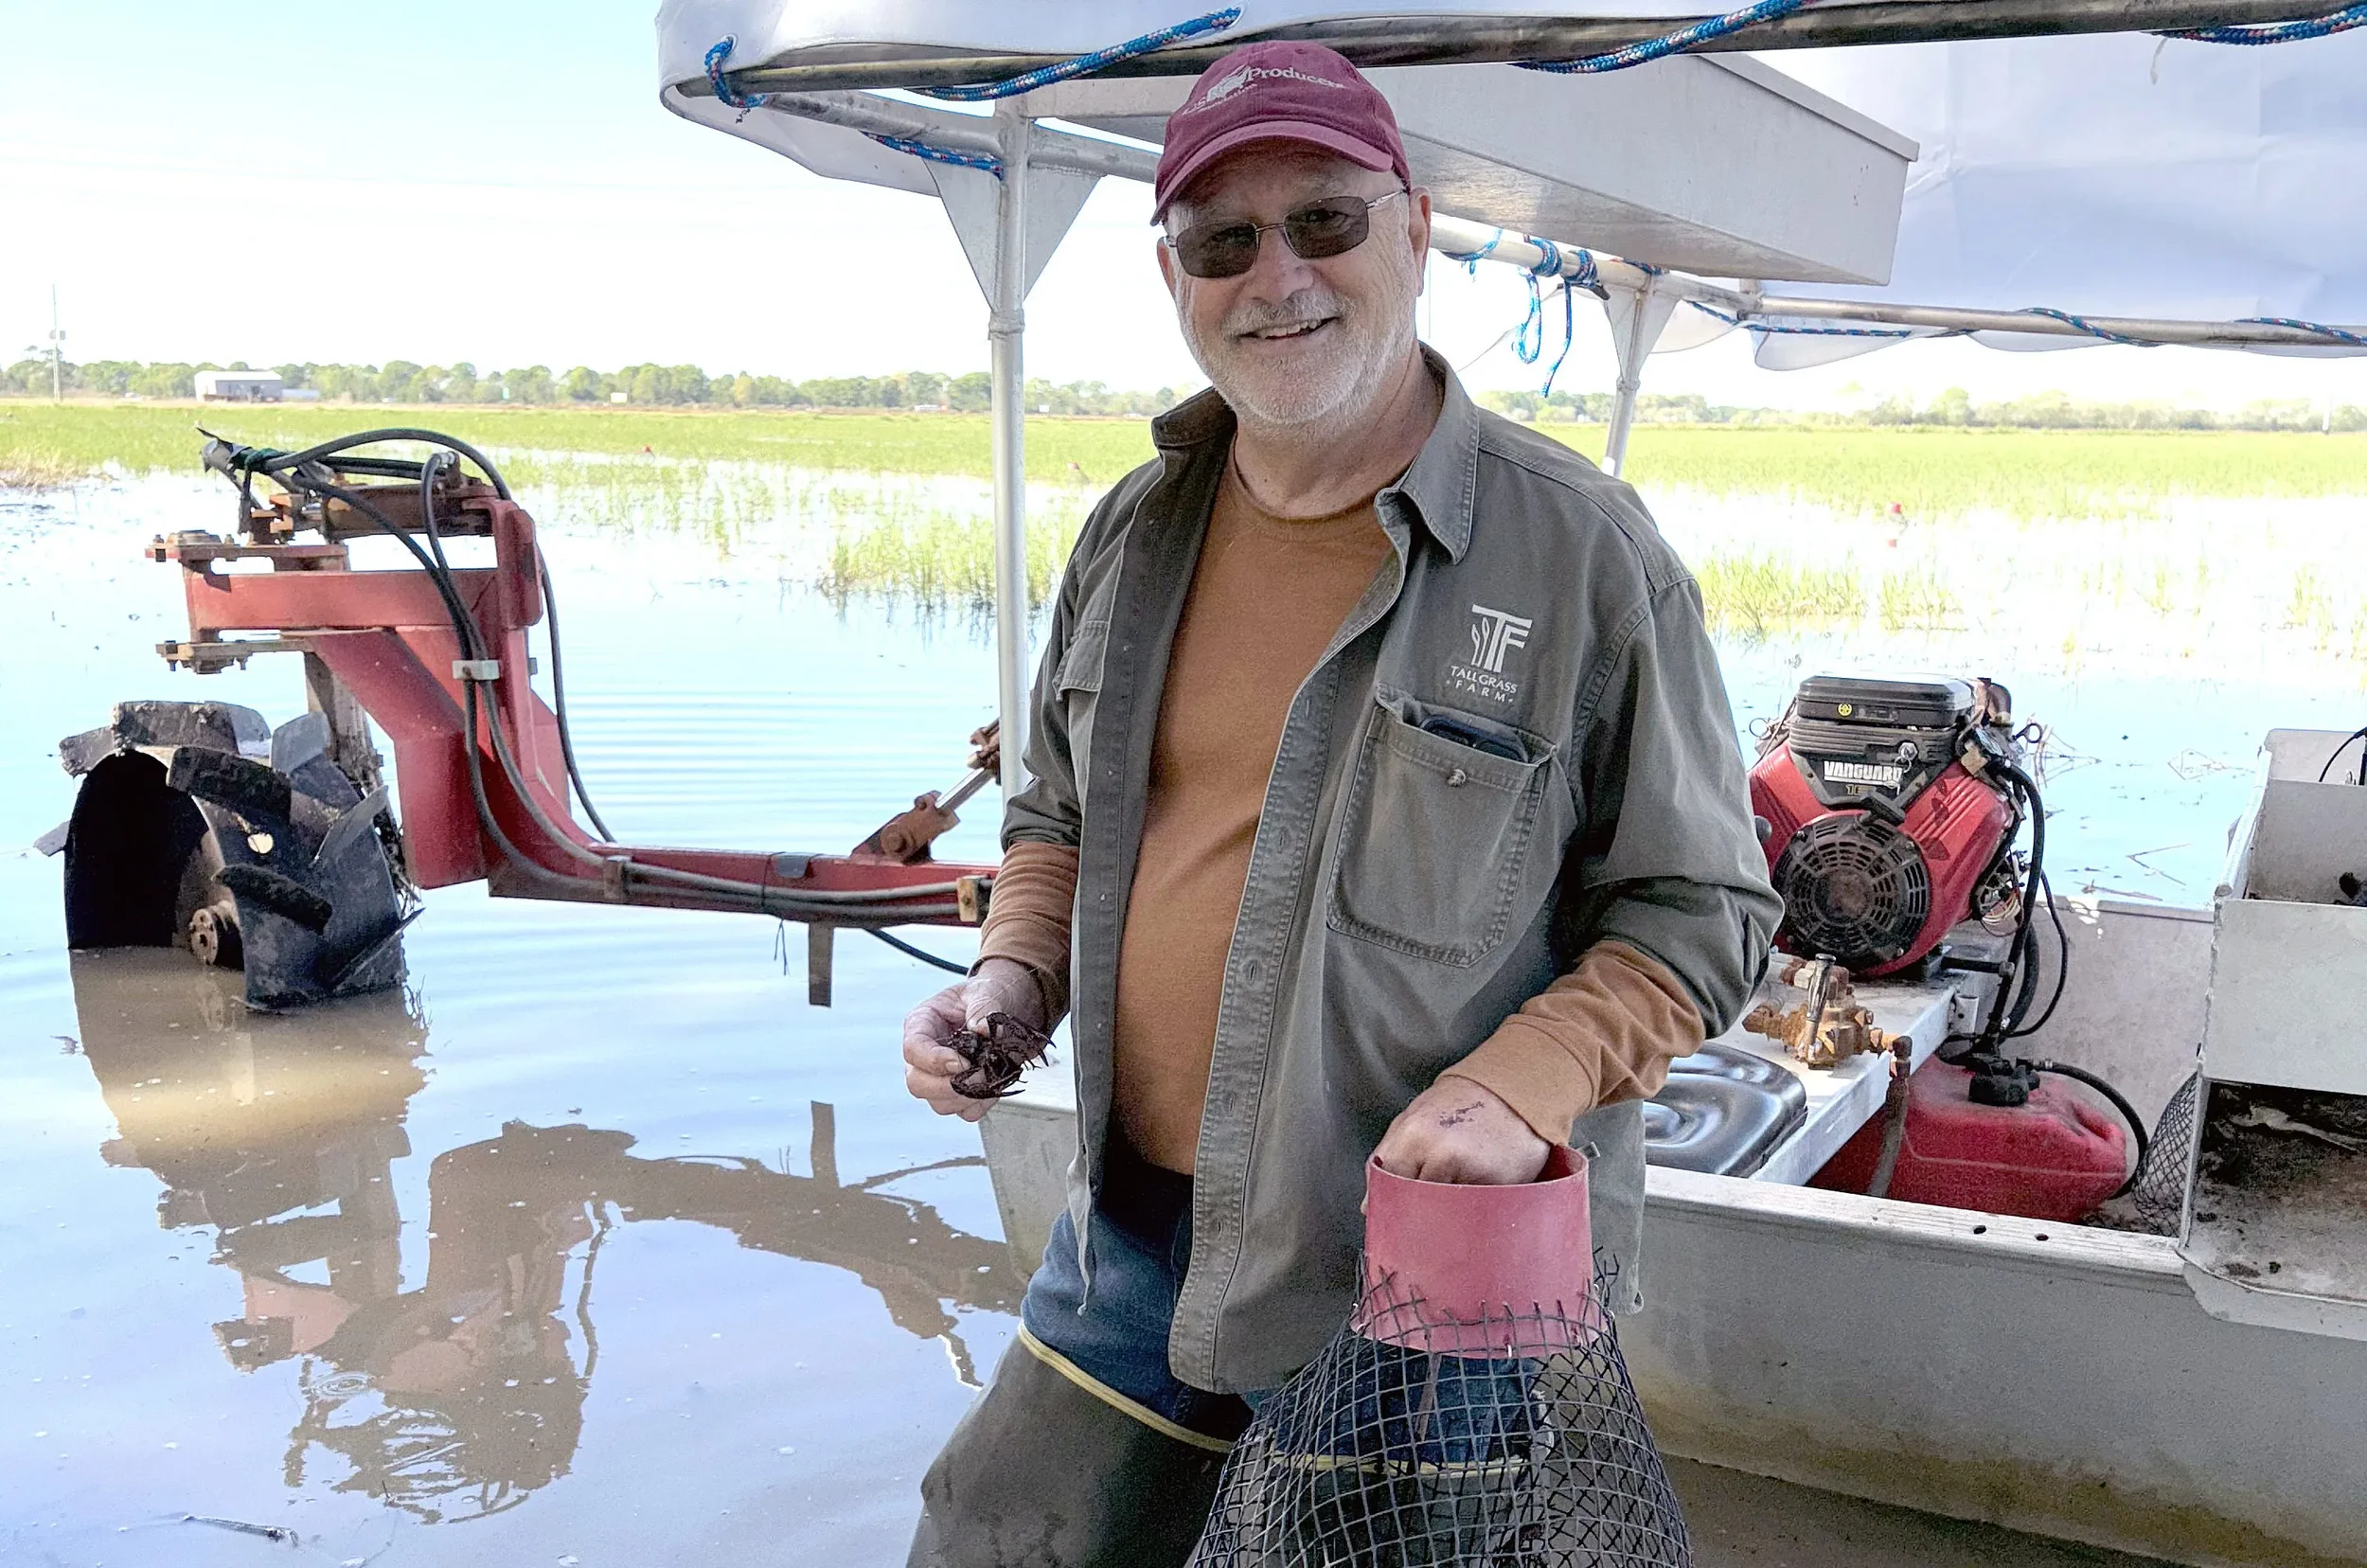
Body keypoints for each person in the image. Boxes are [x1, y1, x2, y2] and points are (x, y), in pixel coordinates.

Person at [899, 39, 1779, 1566]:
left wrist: (1526, 1086)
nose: (1277, 277)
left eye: (1325, 221)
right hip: (1133, 1227)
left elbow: (1703, 915)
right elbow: (1055, 821)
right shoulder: (1133, 527)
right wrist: (1008, 979)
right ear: (1173, 271)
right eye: (1222, 242)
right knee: (1000, 1538)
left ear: (1416, 231)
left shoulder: (1583, 555)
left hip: (1421, 1281)